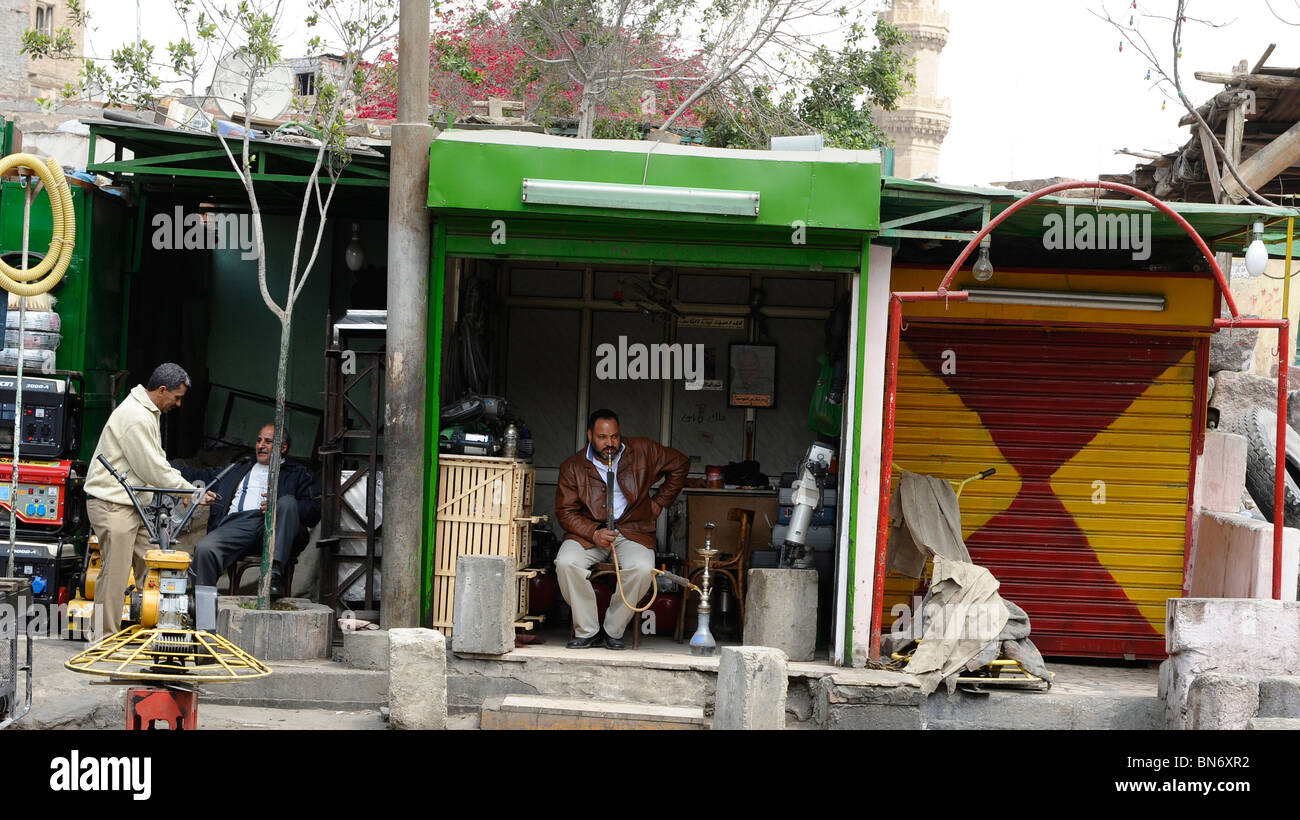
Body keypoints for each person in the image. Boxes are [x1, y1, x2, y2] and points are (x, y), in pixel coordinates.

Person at [84, 363, 214, 642]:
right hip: (112, 504)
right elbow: (153, 469)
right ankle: (103, 639)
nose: (178, 404)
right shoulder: (136, 416)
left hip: (133, 506)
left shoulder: (147, 412)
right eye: (176, 397)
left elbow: (155, 465)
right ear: (162, 390)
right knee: (116, 573)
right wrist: (189, 490)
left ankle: (150, 632)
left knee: (154, 564)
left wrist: (188, 490)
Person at [554, 409, 689, 650]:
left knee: (642, 568)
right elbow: (565, 513)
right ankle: (588, 630)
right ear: (589, 436)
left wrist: (659, 503)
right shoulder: (572, 466)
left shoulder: (643, 450)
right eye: (602, 437)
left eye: (614, 437)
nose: (610, 444)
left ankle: (612, 630)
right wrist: (594, 532)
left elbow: (680, 464)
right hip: (588, 534)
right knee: (565, 563)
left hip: (633, 530)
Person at [176, 423, 321, 598]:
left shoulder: (300, 474)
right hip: (238, 525)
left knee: (287, 502)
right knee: (205, 549)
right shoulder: (240, 467)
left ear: (283, 448)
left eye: (268, 442)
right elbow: (204, 476)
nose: (261, 445)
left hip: (278, 529)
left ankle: (273, 576)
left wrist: (279, 504)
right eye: (259, 441)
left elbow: (314, 512)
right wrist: (164, 467)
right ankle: (202, 609)